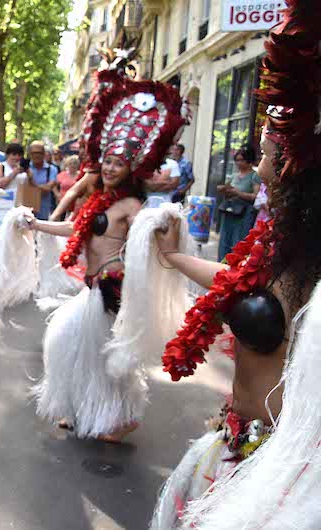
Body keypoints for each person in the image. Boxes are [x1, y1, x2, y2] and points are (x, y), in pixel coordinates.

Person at [150, 5, 321, 526]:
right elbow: (236, 283)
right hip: (236, 443)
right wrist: (174, 257)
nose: (261, 165)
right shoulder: (282, 244)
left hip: (283, 471)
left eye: (269, 151)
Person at [27, 67, 187, 443]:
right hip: (91, 289)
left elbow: (152, 232)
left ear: (131, 167)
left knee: (100, 358)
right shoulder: (99, 198)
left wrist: (163, 221)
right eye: (108, 162)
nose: (111, 167)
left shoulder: (131, 204)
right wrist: (37, 225)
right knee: (73, 348)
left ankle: (120, 417)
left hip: (112, 291)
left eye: (119, 163)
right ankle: (84, 410)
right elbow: (75, 228)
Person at [217, 145, 261, 261]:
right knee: (225, 240)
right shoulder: (235, 176)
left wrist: (238, 193)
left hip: (244, 213)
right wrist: (225, 190)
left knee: (238, 241)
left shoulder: (254, 176)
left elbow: (256, 197)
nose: (238, 163)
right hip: (230, 210)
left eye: (242, 160)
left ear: (248, 160)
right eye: (237, 160)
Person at [27, 140, 58, 220]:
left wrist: (32, 182)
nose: (36, 155)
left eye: (39, 153)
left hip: (43, 214)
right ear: (30, 154)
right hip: (25, 213)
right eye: (34, 153)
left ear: (44, 154)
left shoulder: (51, 169)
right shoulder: (24, 168)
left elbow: (48, 188)